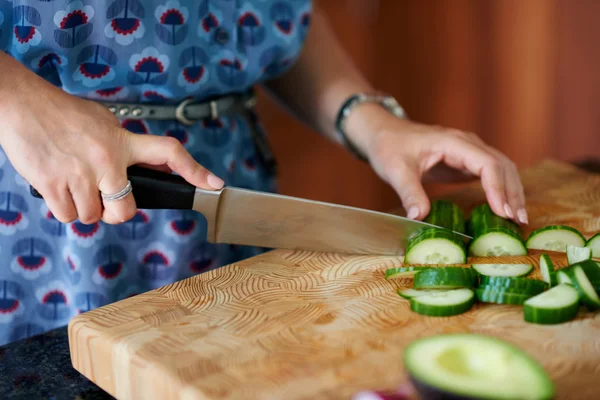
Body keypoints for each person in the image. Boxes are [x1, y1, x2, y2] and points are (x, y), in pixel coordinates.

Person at [0, 0, 526, 346]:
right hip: (49, 210)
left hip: (226, 182)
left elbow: (269, 14)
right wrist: (15, 99)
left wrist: (368, 120)